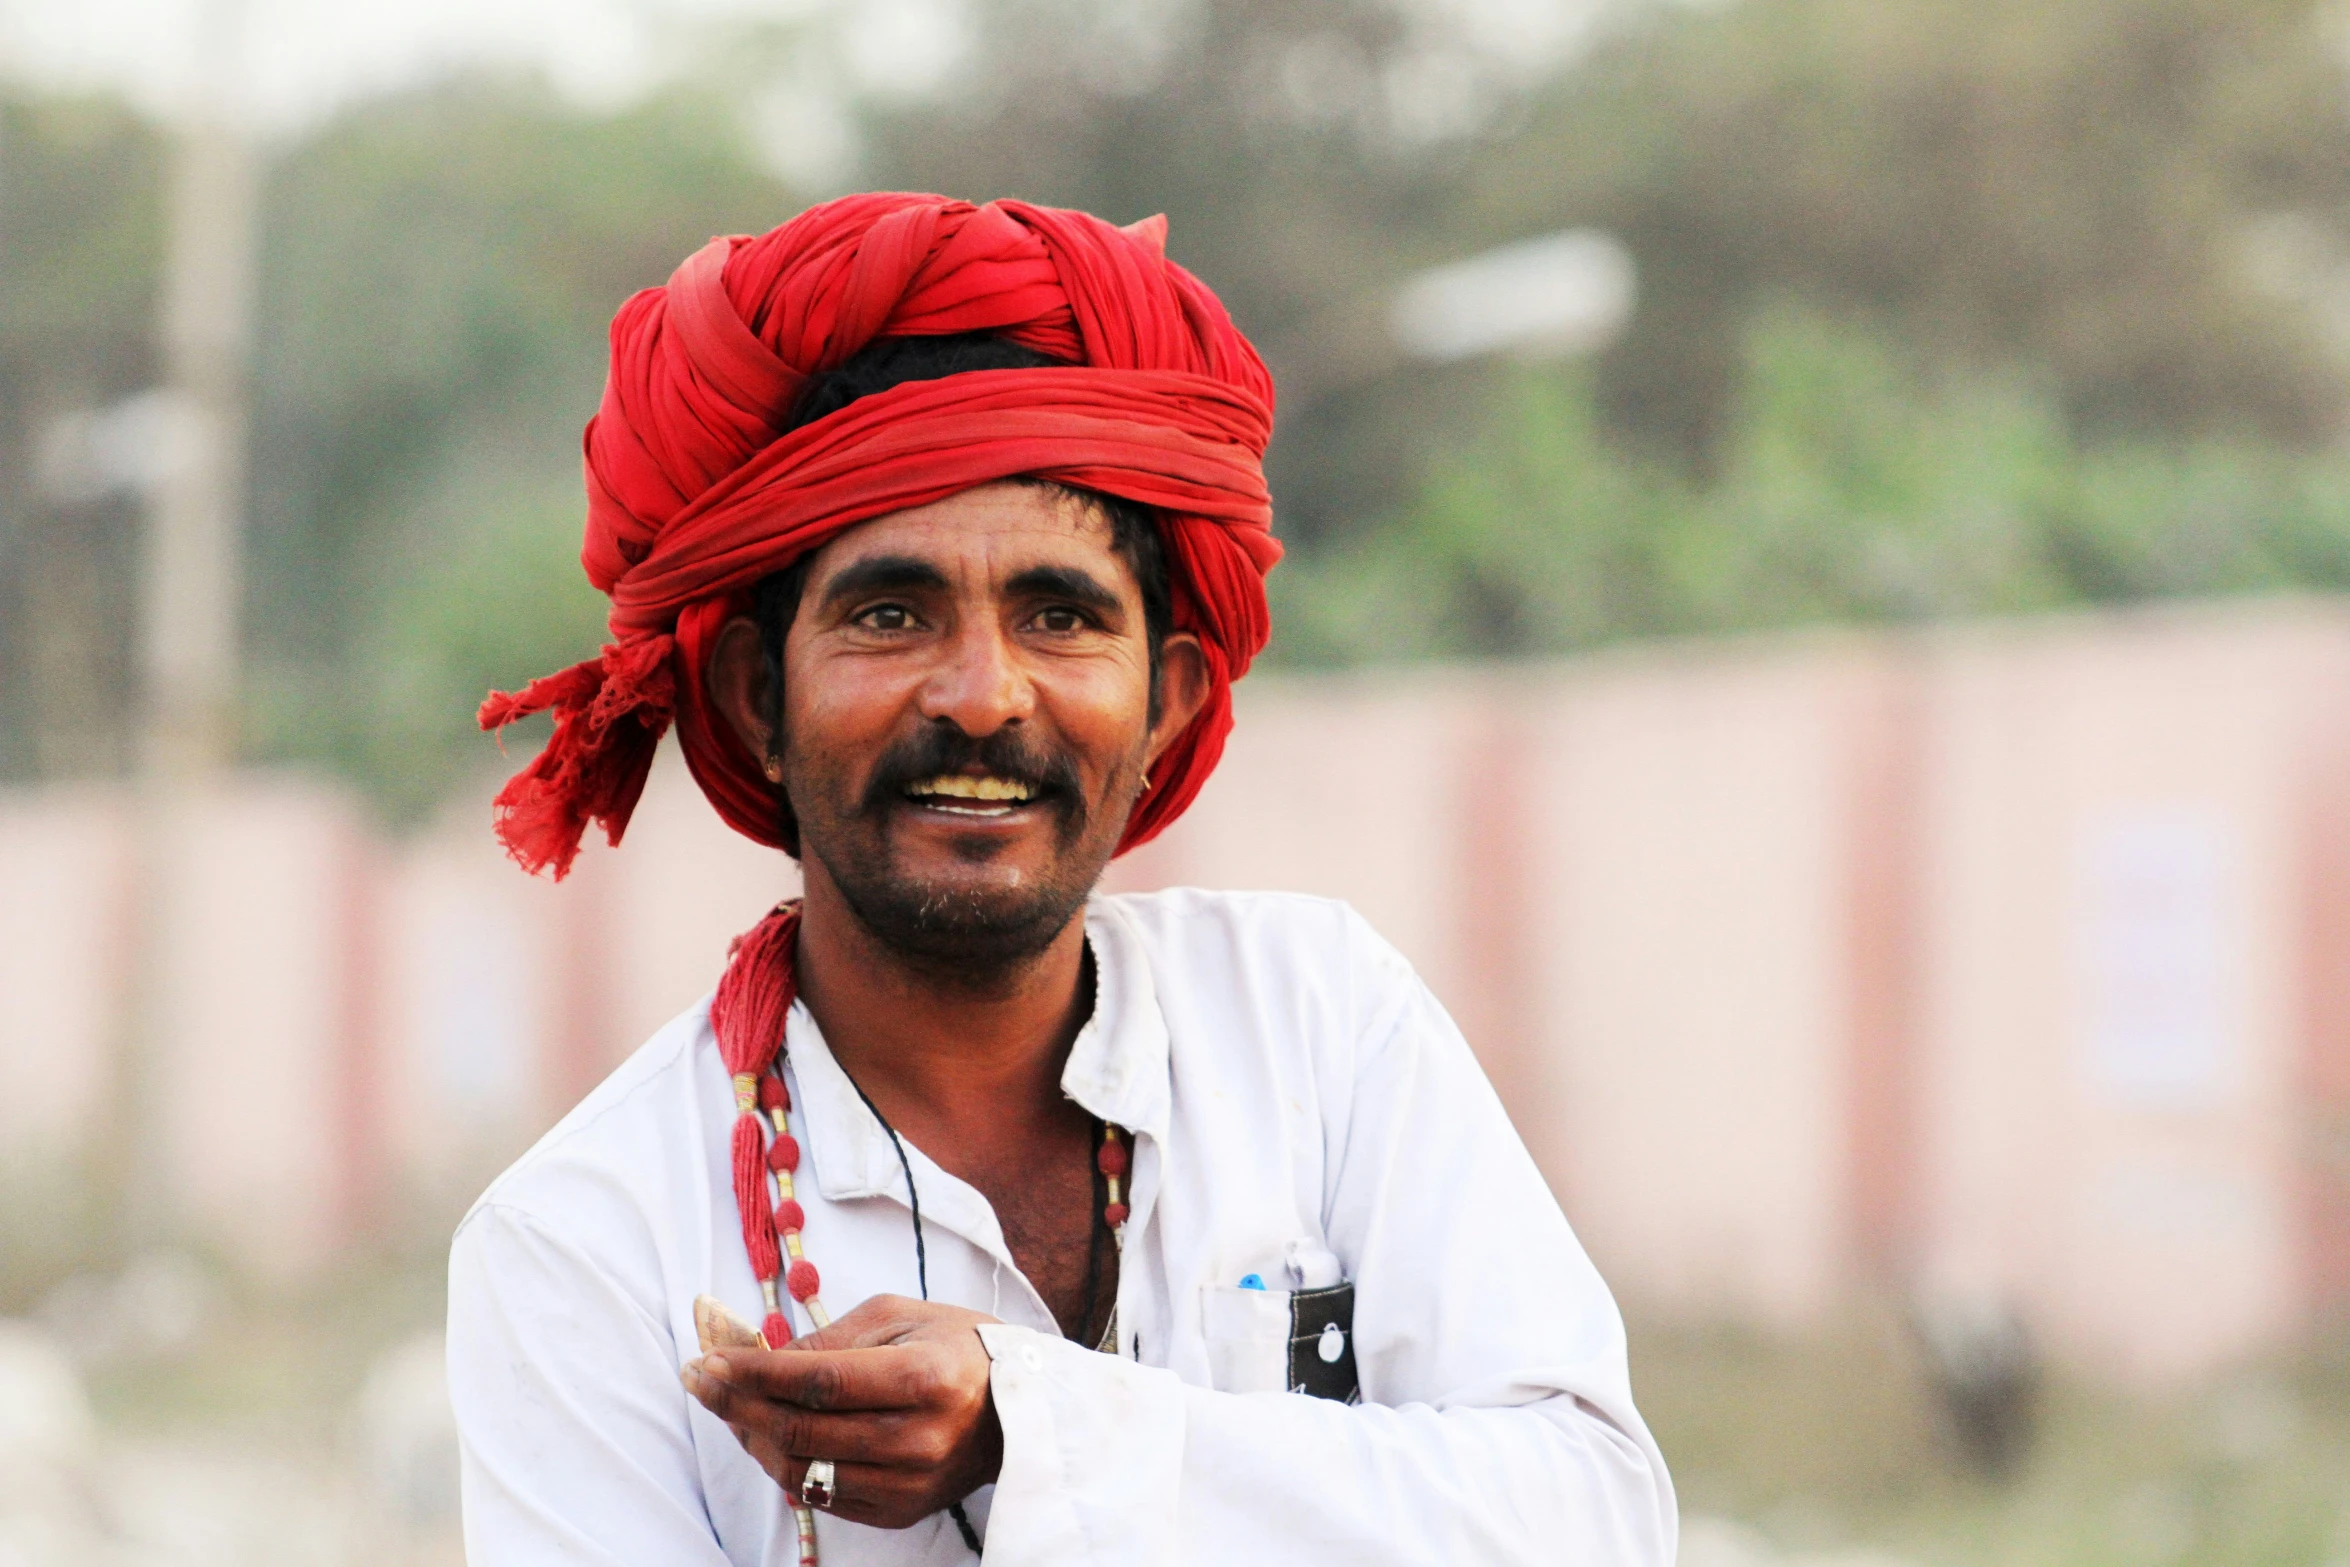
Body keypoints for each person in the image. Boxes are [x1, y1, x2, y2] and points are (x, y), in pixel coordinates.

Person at [446, 193, 1675, 1567]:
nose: (982, 696)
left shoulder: (1317, 1022)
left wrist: (1035, 1428)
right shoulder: (585, 1244)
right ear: (752, 699)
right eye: (891, 613)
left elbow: (1591, 1516)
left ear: (1165, 701)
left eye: (1059, 614)